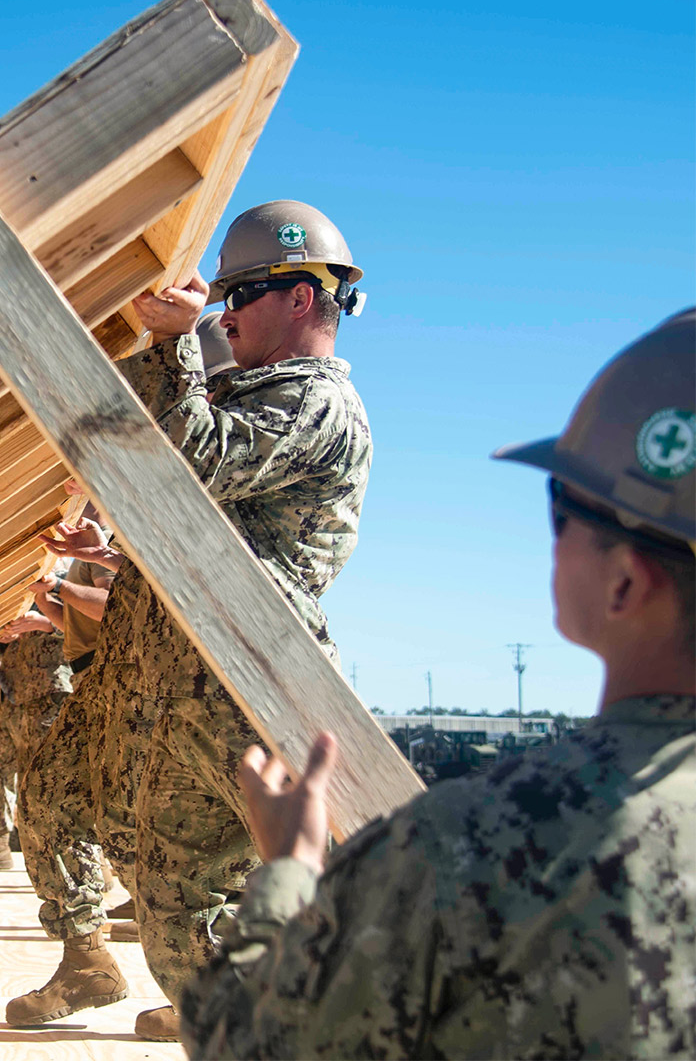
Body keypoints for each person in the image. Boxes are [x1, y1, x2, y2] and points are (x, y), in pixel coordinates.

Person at [180, 308, 696, 1059]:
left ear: (624, 581)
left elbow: (244, 1040)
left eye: (563, 510)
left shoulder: (469, 849)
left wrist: (288, 875)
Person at [122, 201, 372, 1040]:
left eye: (242, 294)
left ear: (302, 298)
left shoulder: (318, 404)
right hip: (202, 694)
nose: (225, 315)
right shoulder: (248, 386)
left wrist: (171, 345)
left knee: (315, 902)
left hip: (263, 690)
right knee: (167, 898)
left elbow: (188, 467)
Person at [5, 317, 240, 1027]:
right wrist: (110, 555)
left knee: (180, 846)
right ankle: (86, 965)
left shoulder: (231, 453)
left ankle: (213, 993)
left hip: (191, 684)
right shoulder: (173, 468)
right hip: (125, 673)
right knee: (46, 795)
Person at [0, 621, 73, 870]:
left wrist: (44, 622)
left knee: (45, 782)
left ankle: (86, 865)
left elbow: (80, 627)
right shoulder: (13, 601)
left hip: (48, 696)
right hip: (12, 698)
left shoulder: (59, 588)